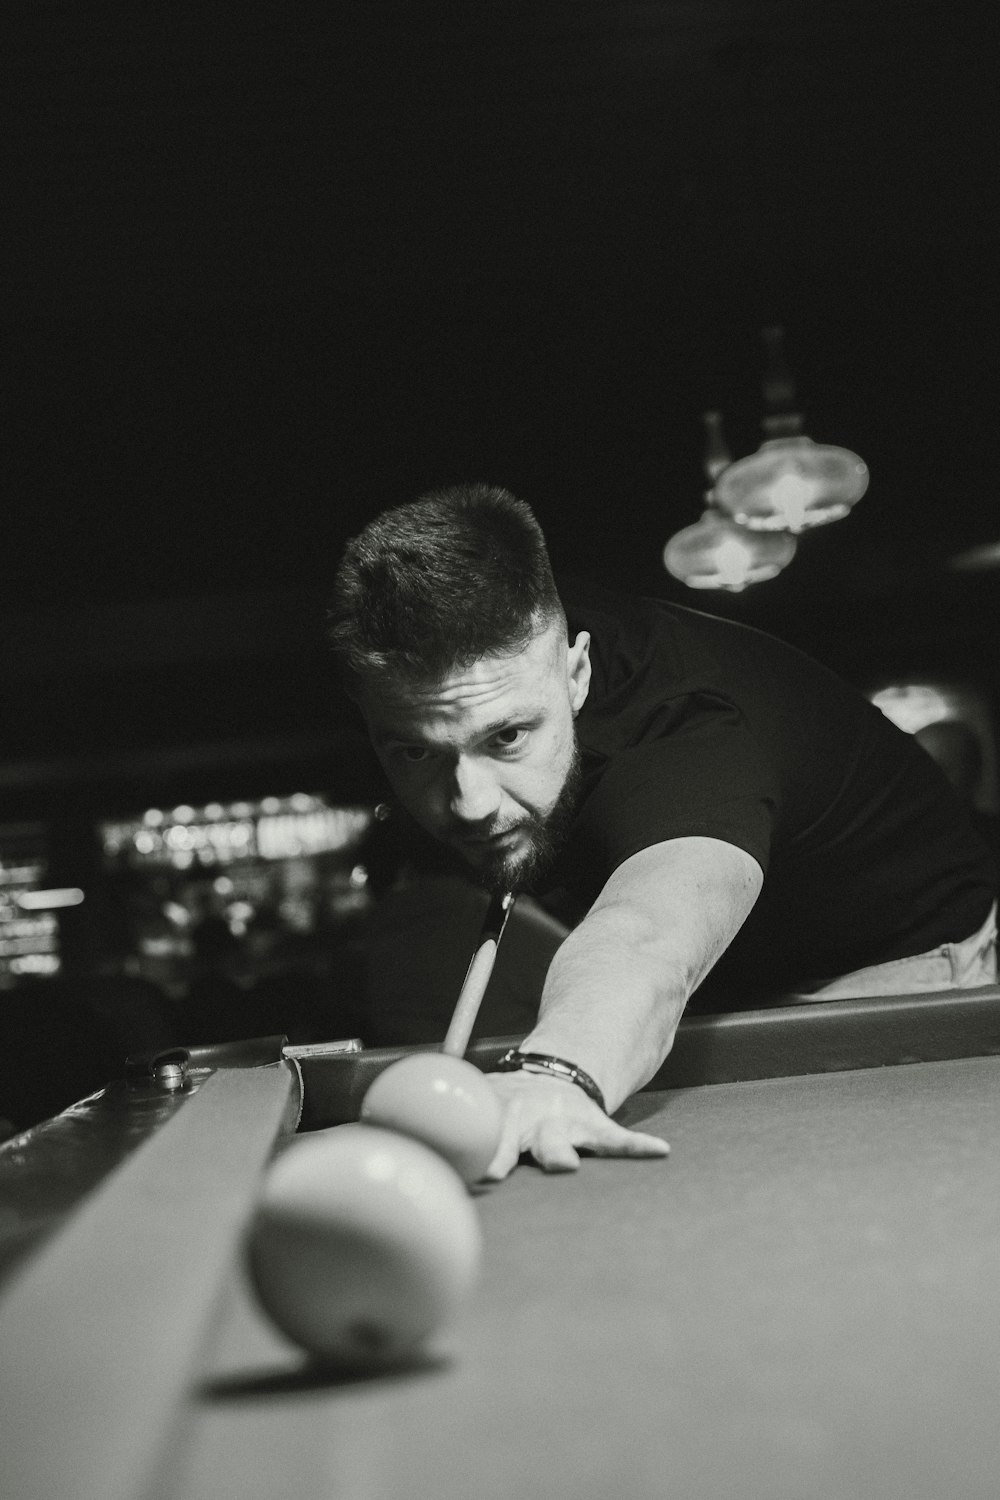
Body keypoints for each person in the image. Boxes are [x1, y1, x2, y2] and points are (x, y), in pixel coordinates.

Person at [328, 484, 996, 1178]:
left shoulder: (686, 737)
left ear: (576, 672)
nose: (468, 802)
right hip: (750, 964)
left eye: (507, 737)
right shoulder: (508, 643)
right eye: (415, 751)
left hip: (905, 961)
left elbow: (645, 935)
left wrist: (557, 1070)